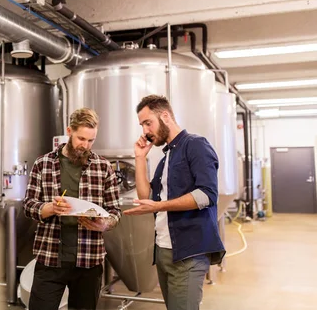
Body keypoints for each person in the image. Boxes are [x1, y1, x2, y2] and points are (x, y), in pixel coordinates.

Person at [124, 95, 225, 310]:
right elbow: (145, 197)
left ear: (165, 116)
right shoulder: (166, 157)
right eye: (142, 125)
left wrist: (160, 206)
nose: (145, 131)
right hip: (164, 250)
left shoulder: (195, 145)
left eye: (147, 123)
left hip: (188, 253)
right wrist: (140, 158)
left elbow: (207, 195)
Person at [23, 108, 121, 310]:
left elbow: (115, 212)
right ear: (69, 131)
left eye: (91, 140)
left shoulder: (103, 167)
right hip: (50, 258)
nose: (85, 145)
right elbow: (29, 205)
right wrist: (49, 208)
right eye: (81, 138)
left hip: (89, 260)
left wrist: (104, 224)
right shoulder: (43, 164)